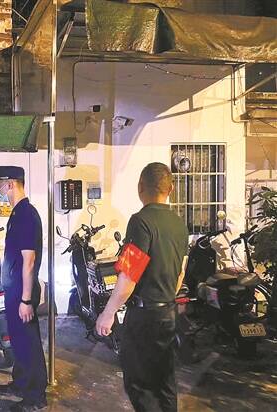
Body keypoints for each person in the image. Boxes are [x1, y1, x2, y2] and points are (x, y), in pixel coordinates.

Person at [95, 162, 188, 412]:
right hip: (169, 312)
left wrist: (108, 313)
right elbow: (180, 272)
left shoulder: (140, 221)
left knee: (139, 383)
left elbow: (128, 276)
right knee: (165, 381)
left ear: (140, 187)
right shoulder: (179, 223)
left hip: (145, 317)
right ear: (170, 189)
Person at [0, 166, 48, 412]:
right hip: (15, 291)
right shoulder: (17, 213)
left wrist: (25, 300)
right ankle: (21, 383)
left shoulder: (26, 215)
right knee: (18, 340)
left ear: (11, 184)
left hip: (23, 293)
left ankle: (36, 396)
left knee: (28, 342)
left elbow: (29, 261)